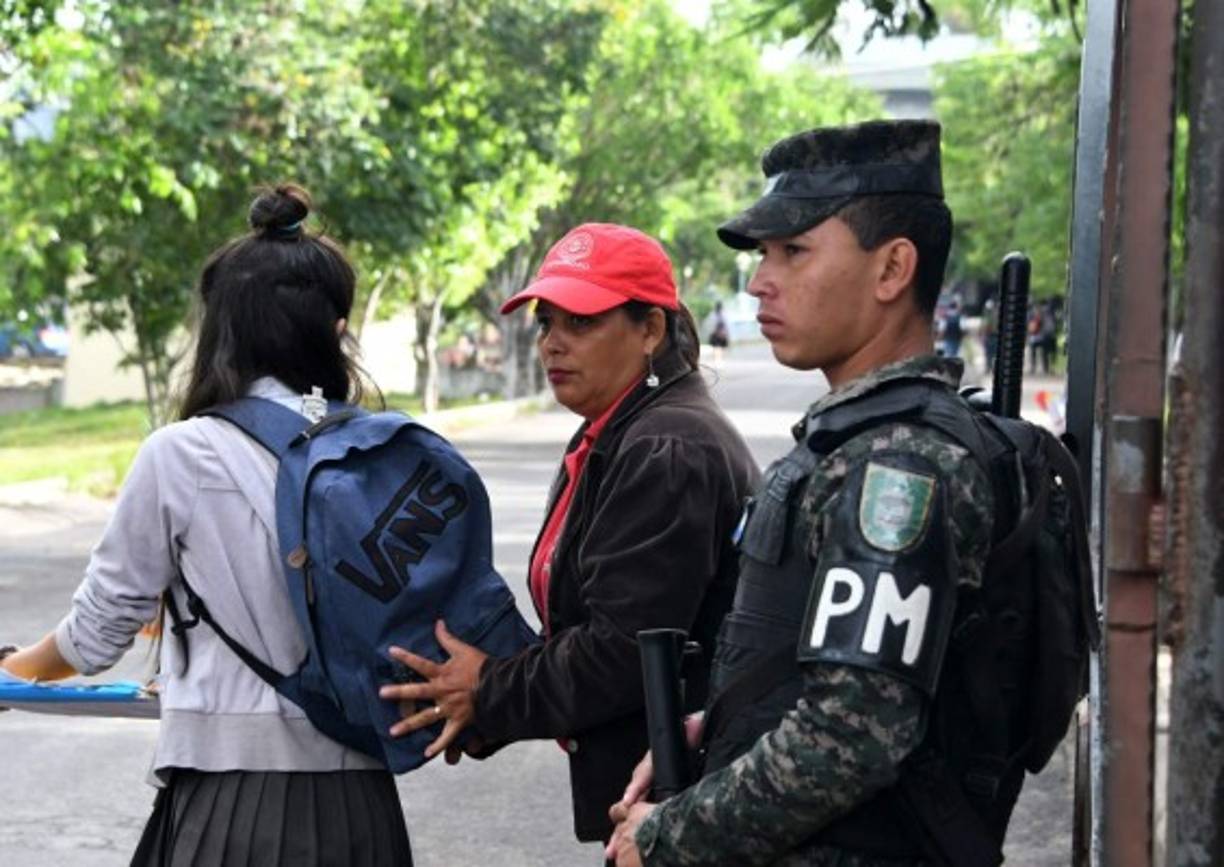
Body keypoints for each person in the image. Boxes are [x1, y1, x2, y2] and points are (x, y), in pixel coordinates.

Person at [607, 120, 1015, 865]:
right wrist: (722, 724)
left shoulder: (901, 463)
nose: (761, 280)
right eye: (764, 255)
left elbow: (851, 735)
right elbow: (837, 676)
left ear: (892, 269)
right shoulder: (854, 438)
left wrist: (669, 835)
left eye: (793, 251)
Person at [0, 185, 413, 866]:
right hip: (365, 807)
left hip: (233, 806)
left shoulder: (185, 453)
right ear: (336, 330)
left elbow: (97, 633)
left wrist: (13, 674)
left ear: (223, 330)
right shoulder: (382, 449)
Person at [378, 223, 759, 848]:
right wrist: (477, 702)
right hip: (653, 805)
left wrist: (487, 691)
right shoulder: (616, 430)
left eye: (580, 323)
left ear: (650, 330)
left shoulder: (666, 447)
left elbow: (623, 651)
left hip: (683, 810)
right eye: (546, 323)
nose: (553, 344)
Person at [708, 301, 730, 366]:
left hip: (716, 333)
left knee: (717, 347)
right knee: (718, 347)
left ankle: (718, 360)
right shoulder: (722, 314)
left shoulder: (713, 314)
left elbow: (711, 324)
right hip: (720, 333)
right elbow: (725, 324)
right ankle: (718, 360)